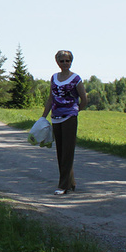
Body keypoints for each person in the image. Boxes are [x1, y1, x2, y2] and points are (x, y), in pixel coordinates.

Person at [40, 50, 86, 194]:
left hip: (69, 118)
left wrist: (75, 111)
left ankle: (63, 186)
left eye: (68, 61)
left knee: (68, 151)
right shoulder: (54, 78)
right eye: (62, 61)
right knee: (60, 151)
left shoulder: (76, 78)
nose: (65, 63)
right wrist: (43, 117)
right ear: (57, 62)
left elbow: (84, 99)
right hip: (56, 118)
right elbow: (50, 98)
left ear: (71, 62)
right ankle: (70, 182)